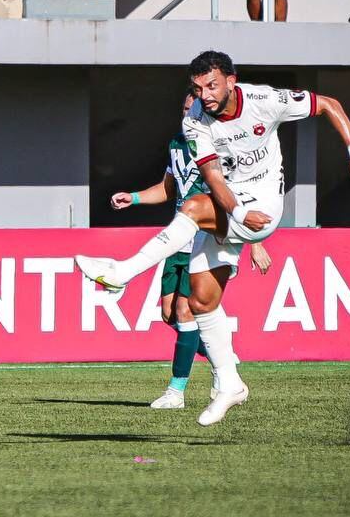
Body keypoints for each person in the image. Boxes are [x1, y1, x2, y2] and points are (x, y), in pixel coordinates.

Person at [76, 50, 350, 426]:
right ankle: (230, 383)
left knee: (193, 207)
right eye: (198, 88)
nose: (205, 95)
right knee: (201, 302)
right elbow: (214, 177)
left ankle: (123, 272)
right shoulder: (195, 122)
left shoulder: (265, 100)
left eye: (212, 86)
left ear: (232, 80)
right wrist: (235, 213)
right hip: (231, 211)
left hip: (261, 209)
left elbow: (329, 104)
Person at [108, 90, 273, 411]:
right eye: (185, 109)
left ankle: (176, 392)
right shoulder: (177, 145)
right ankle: (220, 357)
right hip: (178, 238)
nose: (188, 115)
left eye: (193, 110)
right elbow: (168, 189)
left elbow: (239, 196)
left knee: (186, 312)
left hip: (206, 238)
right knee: (169, 313)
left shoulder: (222, 146)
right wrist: (135, 198)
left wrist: (256, 242)